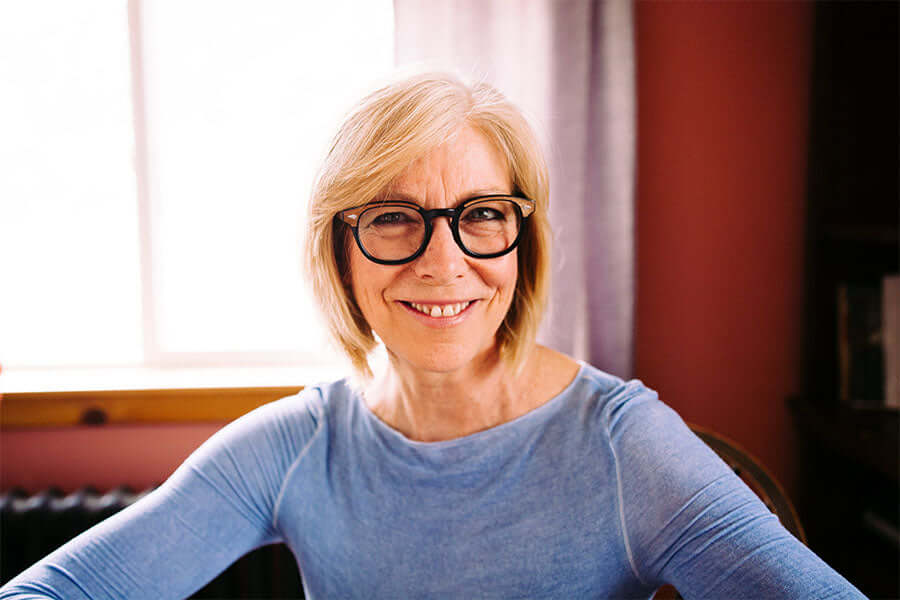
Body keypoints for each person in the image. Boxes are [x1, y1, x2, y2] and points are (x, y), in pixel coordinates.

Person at [1, 72, 866, 600]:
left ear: (523, 242)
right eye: (393, 217)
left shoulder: (626, 445)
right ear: (339, 252)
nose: (443, 263)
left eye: (481, 214)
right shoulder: (293, 448)